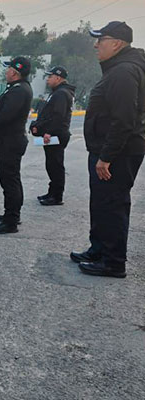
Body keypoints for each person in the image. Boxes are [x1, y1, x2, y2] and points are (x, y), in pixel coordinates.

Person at [71, 21, 145, 278]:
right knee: (102, 202)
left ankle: (113, 262)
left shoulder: (124, 72)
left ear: (117, 44)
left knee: (112, 204)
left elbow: (124, 120)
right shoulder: (118, 69)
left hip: (117, 154)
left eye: (100, 40)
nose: (95, 44)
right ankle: (99, 250)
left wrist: (106, 157)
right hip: (110, 151)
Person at [0, 56, 33, 234]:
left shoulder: (19, 91)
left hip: (10, 142)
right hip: (8, 141)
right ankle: (11, 214)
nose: (6, 72)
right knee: (10, 180)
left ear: (15, 72)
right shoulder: (18, 88)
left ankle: (11, 220)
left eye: (8, 69)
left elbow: (5, 116)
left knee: (10, 181)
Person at [29, 66, 75, 206]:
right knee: (51, 164)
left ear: (58, 78)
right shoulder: (58, 92)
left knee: (55, 165)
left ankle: (56, 196)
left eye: (50, 77)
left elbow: (58, 116)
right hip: (54, 134)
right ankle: (52, 192)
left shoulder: (61, 93)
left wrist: (49, 132)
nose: (48, 79)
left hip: (56, 135)